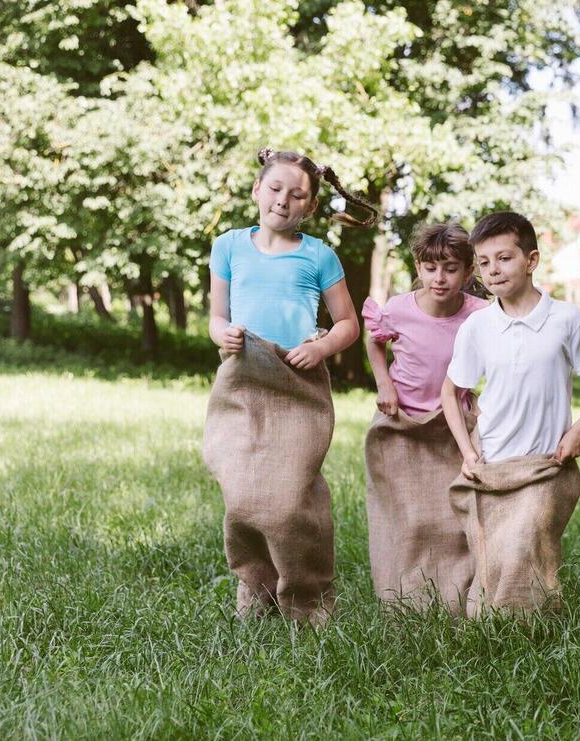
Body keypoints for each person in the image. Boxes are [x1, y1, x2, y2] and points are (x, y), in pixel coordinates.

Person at [202, 148, 375, 624]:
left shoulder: (319, 255)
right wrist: (224, 333)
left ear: (310, 207)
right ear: (258, 190)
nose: (283, 200)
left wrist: (320, 349)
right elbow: (217, 317)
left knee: (291, 497)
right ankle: (255, 593)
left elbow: (347, 324)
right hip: (244, 376)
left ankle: (306, 599)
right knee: (243, 495)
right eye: (275, 189)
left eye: (297, 195)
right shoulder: (230, 246)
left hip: (298, 382)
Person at [440, 211, 580, 615]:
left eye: (504, 258)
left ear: (531, 260)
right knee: (497, 553)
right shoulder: (478, 326)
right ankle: (492, 625)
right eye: (484, 263)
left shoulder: (566, 320)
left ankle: (530, 625)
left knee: (526, 541)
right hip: (493, 460)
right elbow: (451, 391)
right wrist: (468, 454)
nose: (493, 271)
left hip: (546, 462)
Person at [361, 222, 486, 612]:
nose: (440, 278)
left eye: (451, 268)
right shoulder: (399, 309)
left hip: (451, 427)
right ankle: (403, 593)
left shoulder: (480, 314)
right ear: (419, 265)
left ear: (468, 272)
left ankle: (453, 591)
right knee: (407, 515)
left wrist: (485, 399)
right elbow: (374, 342)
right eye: (431, 268)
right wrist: (385, 385)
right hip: (403, 423)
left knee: (450, 516)